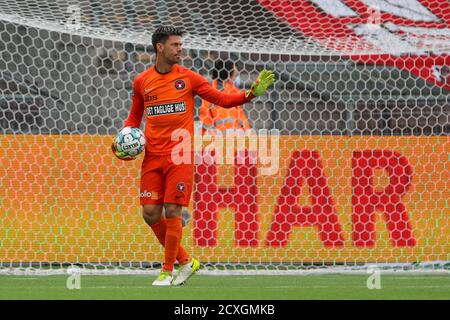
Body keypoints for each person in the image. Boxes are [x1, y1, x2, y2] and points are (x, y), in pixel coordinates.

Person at [111, 26, 274, 286]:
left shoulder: (189, 78)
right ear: (160, 47)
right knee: (151, 214)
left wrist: (251, 94)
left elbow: (223, 99)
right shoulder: (142, 81)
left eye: (180, 44)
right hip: (152, 156)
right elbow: (133, 118)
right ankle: (187, 262)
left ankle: (167, 270)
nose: (180, 49)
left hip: (181, 154)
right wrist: (121, 143)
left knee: (172, 208)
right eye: (175, 45)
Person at [199, 60, 251, 134]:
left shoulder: (235, 94)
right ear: (227, 76)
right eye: (235, 75)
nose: (237, 79)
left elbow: (242, 122)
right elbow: (206, 123)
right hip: (220, 141)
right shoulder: (211, 95)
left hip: (235, 140)